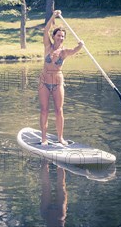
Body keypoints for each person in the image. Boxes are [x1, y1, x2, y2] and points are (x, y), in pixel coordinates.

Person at [38, 10, 84, 146]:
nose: (61, 38)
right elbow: (45, 30)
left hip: (58, 84)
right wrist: (53, 16)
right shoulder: (47, 46)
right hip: (43, 83)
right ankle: (44, 138)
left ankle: (60, 138)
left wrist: (80, 45)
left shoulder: (64, 52)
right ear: (54, 36)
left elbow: (76, 50)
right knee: (44, 110)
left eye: (63, 36)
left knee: (59, 110)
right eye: (58, 35)